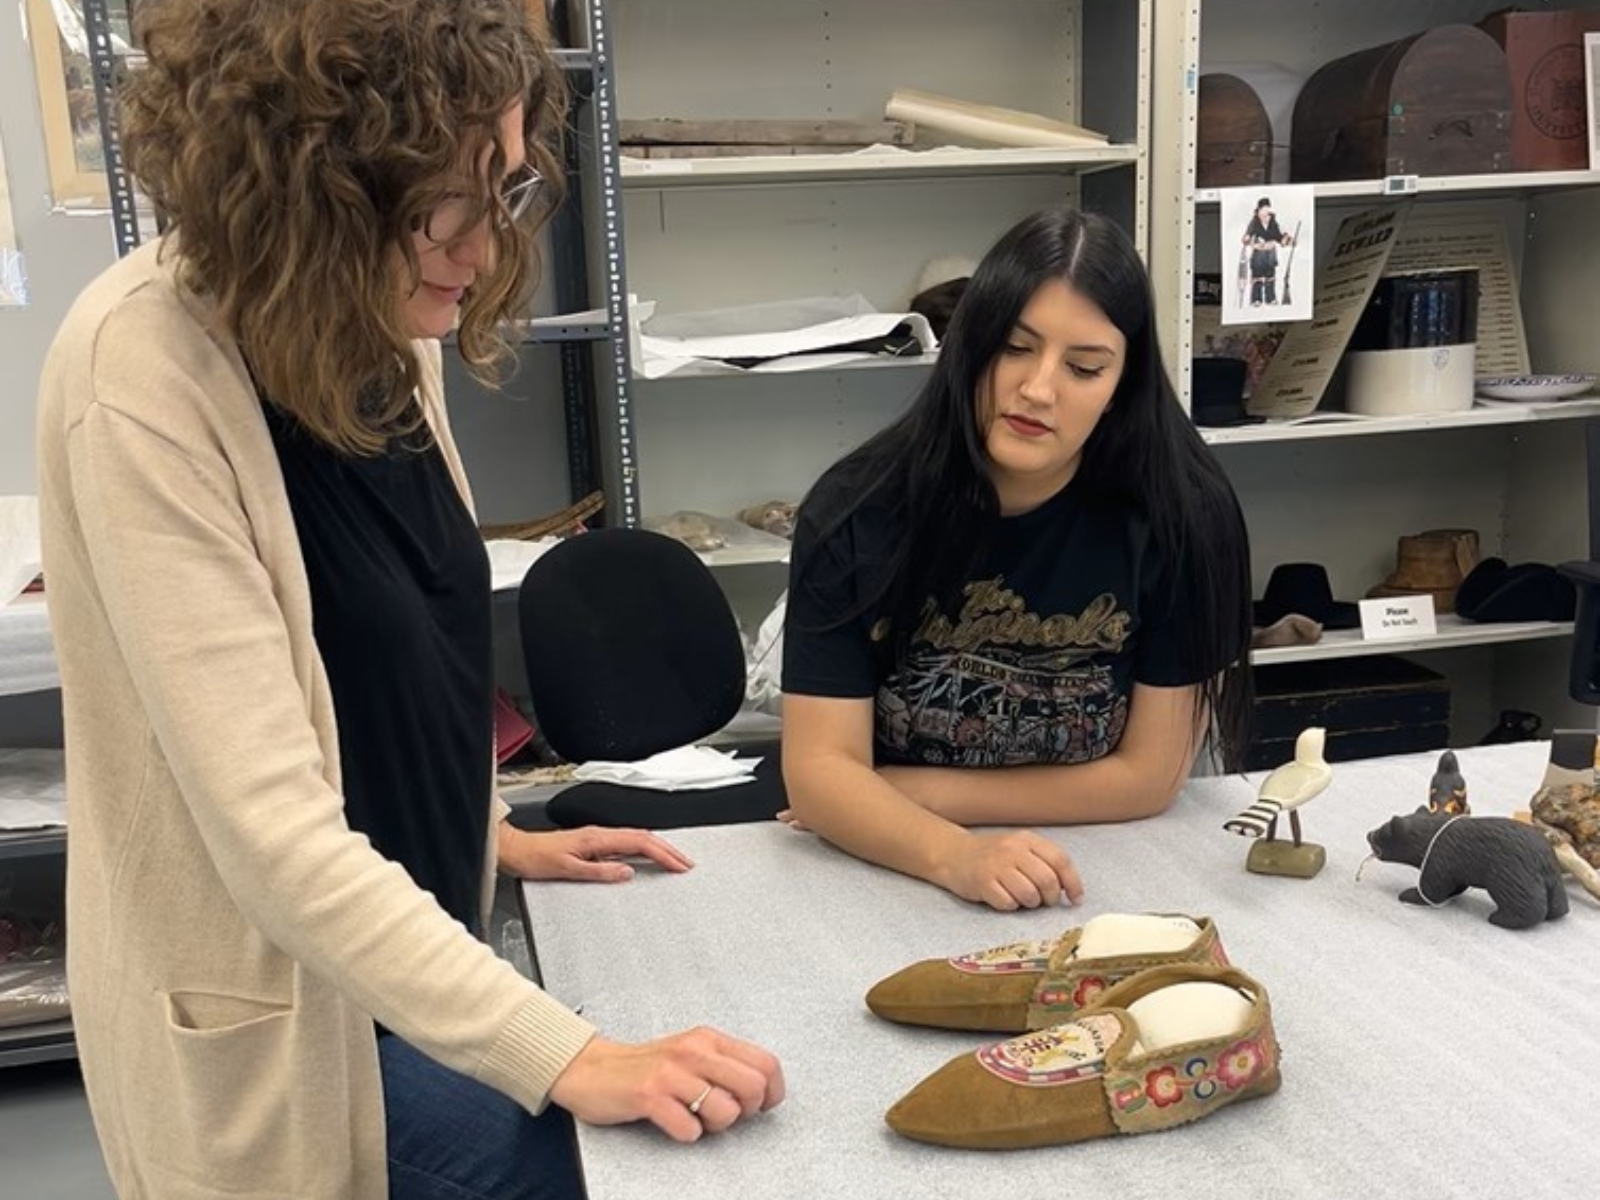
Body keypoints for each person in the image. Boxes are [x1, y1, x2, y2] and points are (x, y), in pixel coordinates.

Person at [36, 2, 782, 1196]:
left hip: (398, 964)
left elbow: (393, 656)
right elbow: (270, 831)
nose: (483, 250)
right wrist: (571, 1055)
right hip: (280, 1019)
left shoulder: (384, 335)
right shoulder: (143, 383)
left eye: (506, 191)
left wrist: (479, 831)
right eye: (444, 198)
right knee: (587, 1162)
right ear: (308, 185)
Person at [780, 206, 1253, 913]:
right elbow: (818, 773)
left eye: (1084, 367)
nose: (1038, 389)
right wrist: (956, 852)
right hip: (891, 864)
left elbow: (1151, 779)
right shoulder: (858, 510)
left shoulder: (1183, 514)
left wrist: (906, 791)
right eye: (1014, 347)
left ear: (1121, 386)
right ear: (969, 346)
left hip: (1110, 868)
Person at [1242, 197, 1291, 305]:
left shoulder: (1273, 221)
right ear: (1259, 210)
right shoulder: (1254, 221)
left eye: (1267, 209)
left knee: (1270, 276)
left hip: (1270, 253)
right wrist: (1248, 239)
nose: (1266, 211)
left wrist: (1285, 239)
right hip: (1259, 253)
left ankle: (1270, 298)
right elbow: (1248, 235)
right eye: (1263, 209)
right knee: (1257, 276)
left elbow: (1278, 235)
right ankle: (1256, 299)